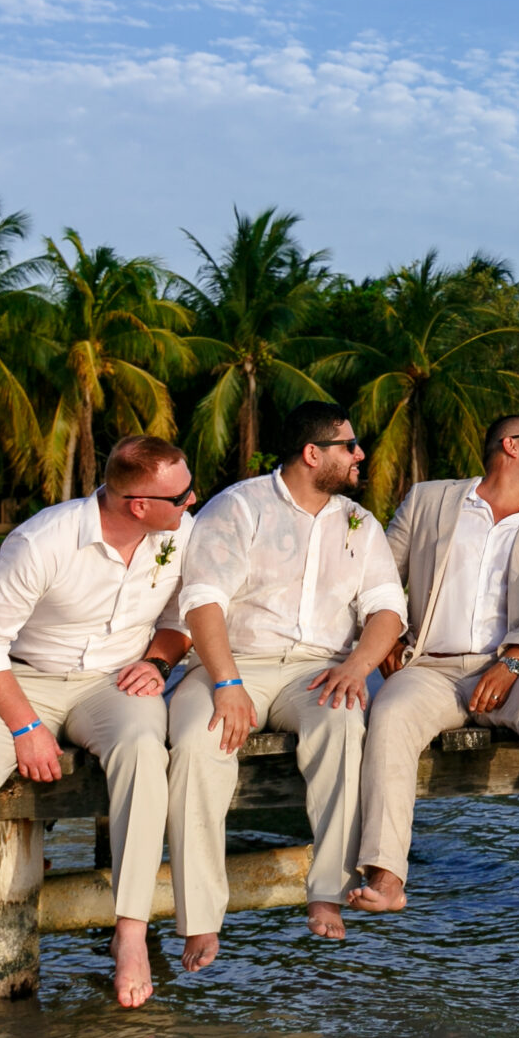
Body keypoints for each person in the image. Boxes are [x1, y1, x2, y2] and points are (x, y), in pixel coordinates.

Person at [0, 435, 197, 1030]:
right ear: (137, 503)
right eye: (181, 494)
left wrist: (158, 662)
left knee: (146, 749)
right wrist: (24, 726)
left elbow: (181, 620)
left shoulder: (180, 532)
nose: (193, 501)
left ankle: (130, 931)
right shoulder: (42, 540)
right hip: (23, 681)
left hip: (115, 683)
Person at [169, 401, 404, 951]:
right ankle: (201, 917)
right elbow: (202, 600)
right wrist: (226, 685)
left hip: (317, 671)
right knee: (196, 743)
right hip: (231, 663)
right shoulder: (239, 506)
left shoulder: (360, 523)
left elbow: (388, 610)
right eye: (350, 445)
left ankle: (327, 889)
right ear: (312, 453)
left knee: (344, 721)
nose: (360, 454)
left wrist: (357, 667)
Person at [346, 415, 519, 912]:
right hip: (427, 669)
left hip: (511, 669)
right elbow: (377, 577)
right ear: (511, 446)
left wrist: (518, 660)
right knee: (389, 714)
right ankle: (387, 874)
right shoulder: (428, 500)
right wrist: (383, 640)